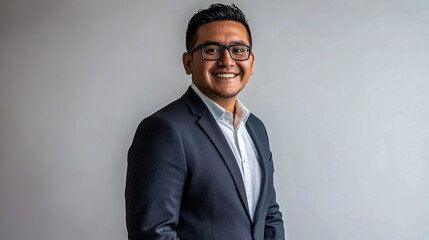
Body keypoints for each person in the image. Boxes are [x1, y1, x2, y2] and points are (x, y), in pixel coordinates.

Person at [125, 3, 285, 240]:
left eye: (238, 50)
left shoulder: (256, 128)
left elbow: (269, 215)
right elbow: (152, 234)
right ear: (188, 62)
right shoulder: (164, 130)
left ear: (250, 62)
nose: (227, 61)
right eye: (212, 50)